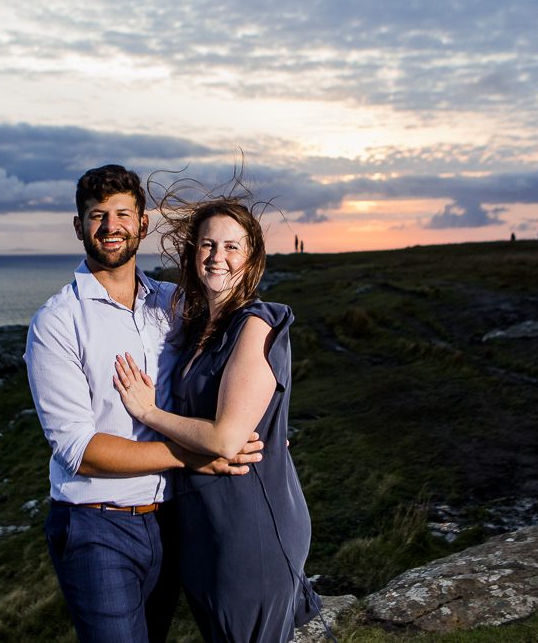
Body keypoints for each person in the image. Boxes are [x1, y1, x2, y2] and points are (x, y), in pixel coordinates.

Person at [24, 165, 265, 643]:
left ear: (143, 224)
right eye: (97, 216)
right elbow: (80, 450)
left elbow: (227, 356)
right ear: (79, 227)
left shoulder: (174, 304)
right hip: (96, 526)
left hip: (172, 521)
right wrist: (201, 454)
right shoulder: (57, 322)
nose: (110, 227)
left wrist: (262, 419)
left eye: (122, 214)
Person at [114, 189, 321, 642]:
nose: (217, 256)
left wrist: (148, 412)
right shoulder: (198, 329)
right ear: (193, 253)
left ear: (251, 259)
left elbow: (228, 439)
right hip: (207, 523)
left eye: (232, 247)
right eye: (208, 244)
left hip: (249, 525)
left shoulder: (255, 324)